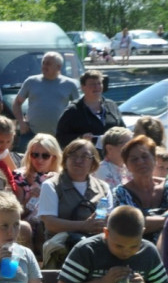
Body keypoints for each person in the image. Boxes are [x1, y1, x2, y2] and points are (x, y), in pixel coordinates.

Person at [37, 138, 111, 266]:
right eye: (73, 156)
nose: (78, 160)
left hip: (96, 242)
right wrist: (83, 226)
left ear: (93, 162)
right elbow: (50, 224)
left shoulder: (103, 188)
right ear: (65, 159)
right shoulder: (51, 186)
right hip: (61, 247)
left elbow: (106, 219)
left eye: (84, 156)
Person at [12, 52, 80, 140]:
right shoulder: (31, 82)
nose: (44, 66)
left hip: (59, 136)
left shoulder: (70, 85)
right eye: (43, 63)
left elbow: (78, 109)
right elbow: (17, 103)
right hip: (32, 134)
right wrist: (21, 122)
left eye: (48, 64)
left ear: (58, 67)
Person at [112, 135, 168, 240]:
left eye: (145, 156)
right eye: (134, 159)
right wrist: (165, 221)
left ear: (154, 159)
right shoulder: (121, 193)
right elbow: (127, 226)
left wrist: (145, 222)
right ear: (127, 165)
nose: (140, 162)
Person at [55, 70, 125, 150]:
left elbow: (123, 130)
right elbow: (60, 137)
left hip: (112, 156)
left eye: (99, 83)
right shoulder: (73, 110)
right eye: (92, 84)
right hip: (86, 157)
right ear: (83, 87)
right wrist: (81, 138)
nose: (96, 87)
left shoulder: (111, 105)